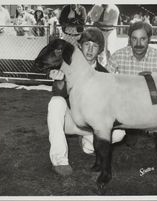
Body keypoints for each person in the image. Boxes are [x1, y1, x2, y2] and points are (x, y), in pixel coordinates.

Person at [47, 28, 126, 176]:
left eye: (95, 46)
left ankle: (88, 142)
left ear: (100, 50)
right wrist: (60, 81)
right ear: (80, 46)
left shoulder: (104, 74)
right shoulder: (67, 66)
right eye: (87, 44)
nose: (90, 49)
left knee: (119, 133)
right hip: (72, 119)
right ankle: (59, 160)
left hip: (91, 124)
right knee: (56, 103)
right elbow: (58, 94)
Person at [104, 21, 157, 156]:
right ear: (129, 39)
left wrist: (155, 78)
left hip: (153, 104)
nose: (138, 43)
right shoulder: (118, 55)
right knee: (129, 141)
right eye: (134, 39)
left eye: (143, 39)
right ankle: (129, 134)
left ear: (149, 39)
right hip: (127, 104)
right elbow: (105, 80)